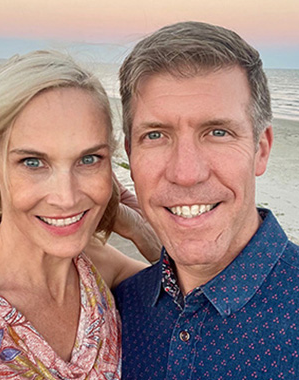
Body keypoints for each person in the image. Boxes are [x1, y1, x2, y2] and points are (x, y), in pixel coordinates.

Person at [0, 50, 160, 379]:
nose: (67, 197)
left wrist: (141, 231)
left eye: (89, 159)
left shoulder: (95, 270)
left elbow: (200, 304)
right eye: (32, 162)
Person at [114, 21, 299, 379]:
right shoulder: (118, 308)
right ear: (130, 155)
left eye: (217, 132)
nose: (186, 173)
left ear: (261, 150)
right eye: (155, 135)